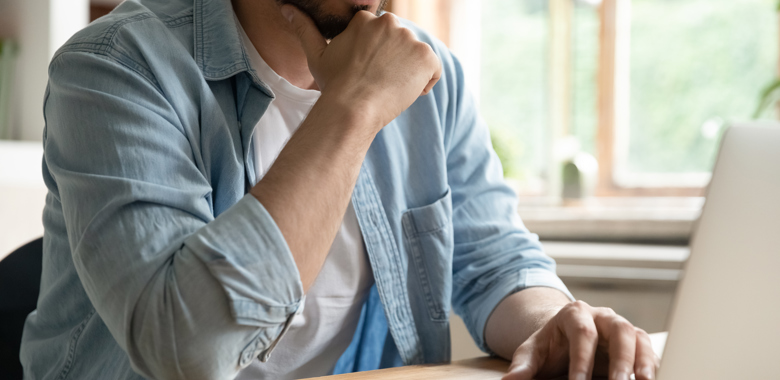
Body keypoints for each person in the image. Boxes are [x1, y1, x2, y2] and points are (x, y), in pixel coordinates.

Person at [20, 0, 658, 379]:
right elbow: (191, 349)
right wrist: (352, 108)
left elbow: (493, 260)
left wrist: (556, 326)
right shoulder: (113, 67)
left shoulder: (435, 75)